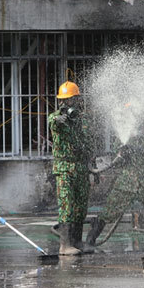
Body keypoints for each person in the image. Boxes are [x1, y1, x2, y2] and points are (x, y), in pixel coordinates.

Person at [48, 81, 94, 255]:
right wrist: (60, 119)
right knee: (67, 205)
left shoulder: (81, 120)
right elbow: (52, 121)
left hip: (81, 168)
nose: (69, 103)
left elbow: (89, 143)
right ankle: (65, 245)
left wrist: (92, 165)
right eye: (65, 100)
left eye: (72, 99)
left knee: (80, 206)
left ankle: (77, 241)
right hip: (64, 168)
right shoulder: (56, 118)